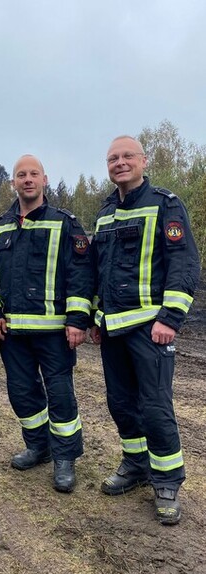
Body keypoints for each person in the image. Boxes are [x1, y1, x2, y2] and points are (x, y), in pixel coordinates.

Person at [90, 135, 200, 524]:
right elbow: (96, 271)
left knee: (155, 407)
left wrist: (170, 318)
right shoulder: (103, 213)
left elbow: (184, 264)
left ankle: (167, 480)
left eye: (127, 157)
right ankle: (135, 465)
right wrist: (95, 317)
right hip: (113, 328)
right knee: (120, 403)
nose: (120, 163)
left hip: (150, 328)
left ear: (143, 161)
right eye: (112, 158)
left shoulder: (165, 205)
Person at [0, 154, 94, 493]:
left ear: (45, 180)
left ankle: (64, 458)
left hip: (55, 333)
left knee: (60, 396)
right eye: (20, 175)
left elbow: (80, 274)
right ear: (13, 183)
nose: (27, 179)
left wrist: (77, 320)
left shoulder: (65, 223)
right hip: (13, 333)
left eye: (33, 174)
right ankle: (38, 446)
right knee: (22, 393)